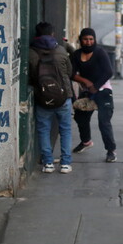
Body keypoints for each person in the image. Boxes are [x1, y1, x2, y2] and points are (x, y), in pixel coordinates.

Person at [29, 22, 73, 174]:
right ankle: (65, 163)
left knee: (43, 129)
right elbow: (69, 71)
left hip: (43, 97)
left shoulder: (31, 53)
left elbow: (31, 76)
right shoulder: (60, 50)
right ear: (52, 34)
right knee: (65, 129)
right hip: (63, 96)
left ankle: (48, 163)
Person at [71, 28, 117, 163]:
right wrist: (86, 82)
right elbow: (71, 73)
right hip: (87, 91)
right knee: (80, 117)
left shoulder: (100, 52)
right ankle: (86, 141)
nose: (88, 42)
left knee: (104, 122)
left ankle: (111, 151)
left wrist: (95, 87)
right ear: (81, 40)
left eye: (91, 39)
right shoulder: (76, 55)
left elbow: (109, 72)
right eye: (85, 39)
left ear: (95, 40)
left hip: (103, 90)